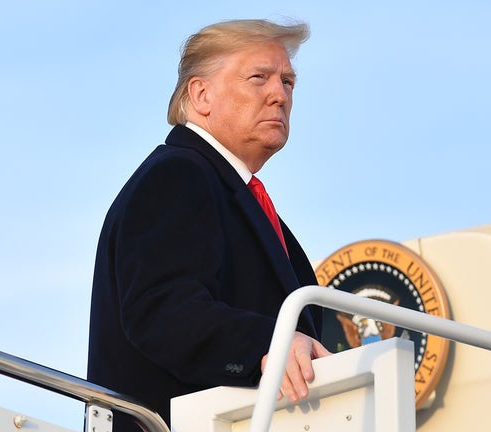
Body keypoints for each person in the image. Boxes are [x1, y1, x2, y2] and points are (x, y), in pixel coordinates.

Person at [86, 19, 329, 431]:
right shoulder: (178, 174)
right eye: (259, 78)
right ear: (201, 95)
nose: (279, 95)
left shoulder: (239, 198)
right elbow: (160, 309)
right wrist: (266, 343)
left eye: (288, 82)